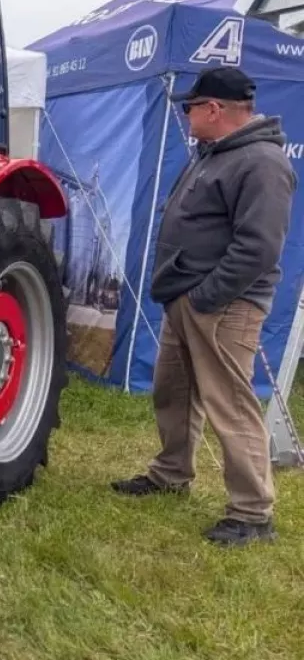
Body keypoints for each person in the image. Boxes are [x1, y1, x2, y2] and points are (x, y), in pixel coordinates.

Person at [111, 66, 297, 547]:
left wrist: (207, 296)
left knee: (229, 405)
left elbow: (259, 247)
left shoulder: (262, 162)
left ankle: (253, 513)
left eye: (191, 106)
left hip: (222, 304)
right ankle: (171, 473)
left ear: (214, 109)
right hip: (190, 298)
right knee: (173, 391)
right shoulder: (215, 153)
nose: (187, 113)